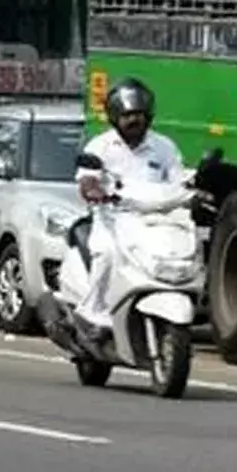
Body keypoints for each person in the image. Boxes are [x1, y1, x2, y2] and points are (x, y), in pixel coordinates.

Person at [70, 78, 185, 341]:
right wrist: (94, 191)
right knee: (108, 254)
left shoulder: (164, 147)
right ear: (114, 117)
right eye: (128, 116)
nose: (136, 121)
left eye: (140, 115)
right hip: (112, 219)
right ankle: (93, 312)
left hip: (154, 220)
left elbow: (178, 181)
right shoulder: (99, 146)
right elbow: (87, 180)